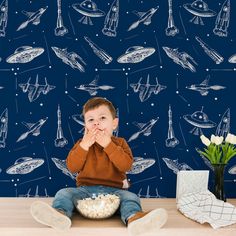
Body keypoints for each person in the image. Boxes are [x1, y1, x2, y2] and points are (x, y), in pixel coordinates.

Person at [30, 97, 168, 235]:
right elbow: (72, 167)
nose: (96, 123)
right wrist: (84, 145)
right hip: (85, 192)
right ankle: (59, 215)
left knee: (132, 198)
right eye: (90, 120)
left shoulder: (120, 143)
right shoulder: (82, 144)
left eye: (102, 118)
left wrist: (108, 145)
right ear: (85, 126)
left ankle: (134, 219)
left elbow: (126, 166)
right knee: (63, 193)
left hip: (115, 193)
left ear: (114, 124)